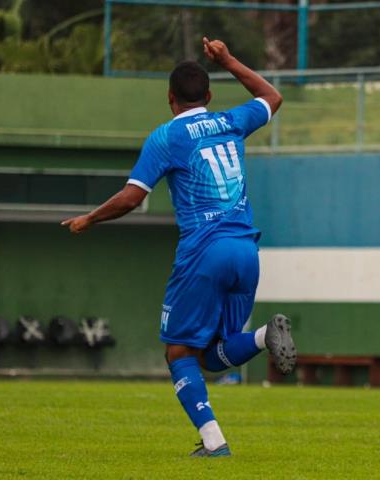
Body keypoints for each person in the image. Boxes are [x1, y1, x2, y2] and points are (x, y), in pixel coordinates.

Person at [62, 37, 296, 457]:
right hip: (246, 249)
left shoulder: (166, 137)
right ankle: (262, 337)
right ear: (208, 95)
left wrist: (90, 218)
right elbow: (272, 96)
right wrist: (228, 60)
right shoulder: (230, 121)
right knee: (213, 355)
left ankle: (214, 442)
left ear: (170, 98)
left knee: (178, 351)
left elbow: (133, 197)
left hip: (204, 253)